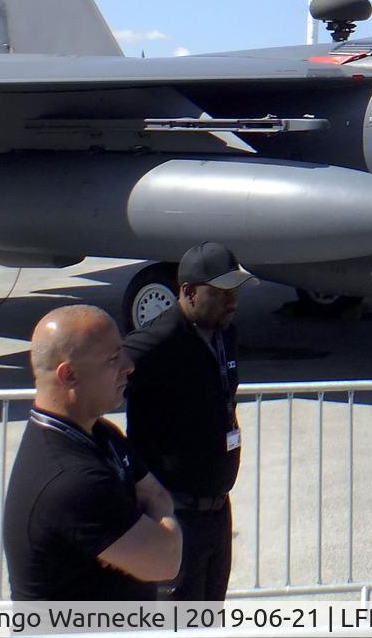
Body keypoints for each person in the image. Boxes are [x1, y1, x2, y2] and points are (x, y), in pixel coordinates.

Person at [3, 304, 181, 601]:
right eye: (113, 359)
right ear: (69, 374)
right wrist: (164, 525)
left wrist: (154, 517)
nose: (129, 365)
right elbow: (165, 559)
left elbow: (156, 494)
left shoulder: (100, 433)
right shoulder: (70, 478)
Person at [123, 242, 251, 601]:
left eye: (235, 290)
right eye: (222, 292)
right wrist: (127, 469)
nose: (233, 301)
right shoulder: (158, 341)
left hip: (217, 510)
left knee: (210, 618)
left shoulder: (226, 333)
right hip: (176, 515)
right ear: (189, 293)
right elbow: (98, 382)